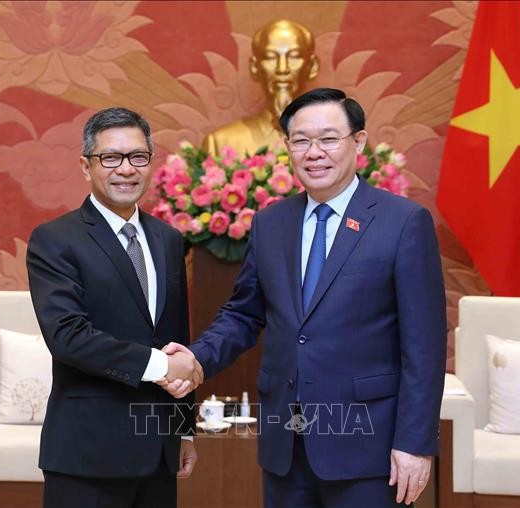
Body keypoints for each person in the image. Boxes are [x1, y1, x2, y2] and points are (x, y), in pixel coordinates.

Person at [162, 88, 447, 507]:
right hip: (285, 448)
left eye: (328, 139)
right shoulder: (271, 223)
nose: (315, 152)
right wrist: (197, 360)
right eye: (301, 140)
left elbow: (425, 345)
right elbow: (243, 314)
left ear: (359, 142)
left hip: (369, 449)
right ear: (288, 147)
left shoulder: (402, 222)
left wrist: (415, 443)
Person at [26, 107, 203, 508]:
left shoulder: (168, 239)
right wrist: (159, 366)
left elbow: (176, 337)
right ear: (87, 167)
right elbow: (67, 337)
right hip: (88, 454)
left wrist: (183, 429)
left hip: (158, 451)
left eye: (138, 157)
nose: (126, 169)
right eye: (111, 158)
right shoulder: (55, 240)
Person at [202, 19, 319, 157]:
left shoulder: (338, 143)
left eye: (294, 57)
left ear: (312, 67)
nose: (282, 69)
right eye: (270, 58)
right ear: (255, 67)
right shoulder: (221, 143)